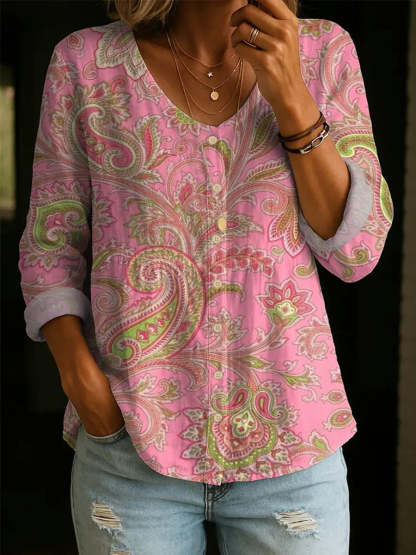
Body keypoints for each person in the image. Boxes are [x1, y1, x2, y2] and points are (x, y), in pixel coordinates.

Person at [17, 0, 394, 553]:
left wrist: (290, 92)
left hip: (294, 445)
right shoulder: (87, 62)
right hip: (132, 444)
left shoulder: (323, 51)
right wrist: (84, 386)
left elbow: (357, 253)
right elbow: (51, 244)